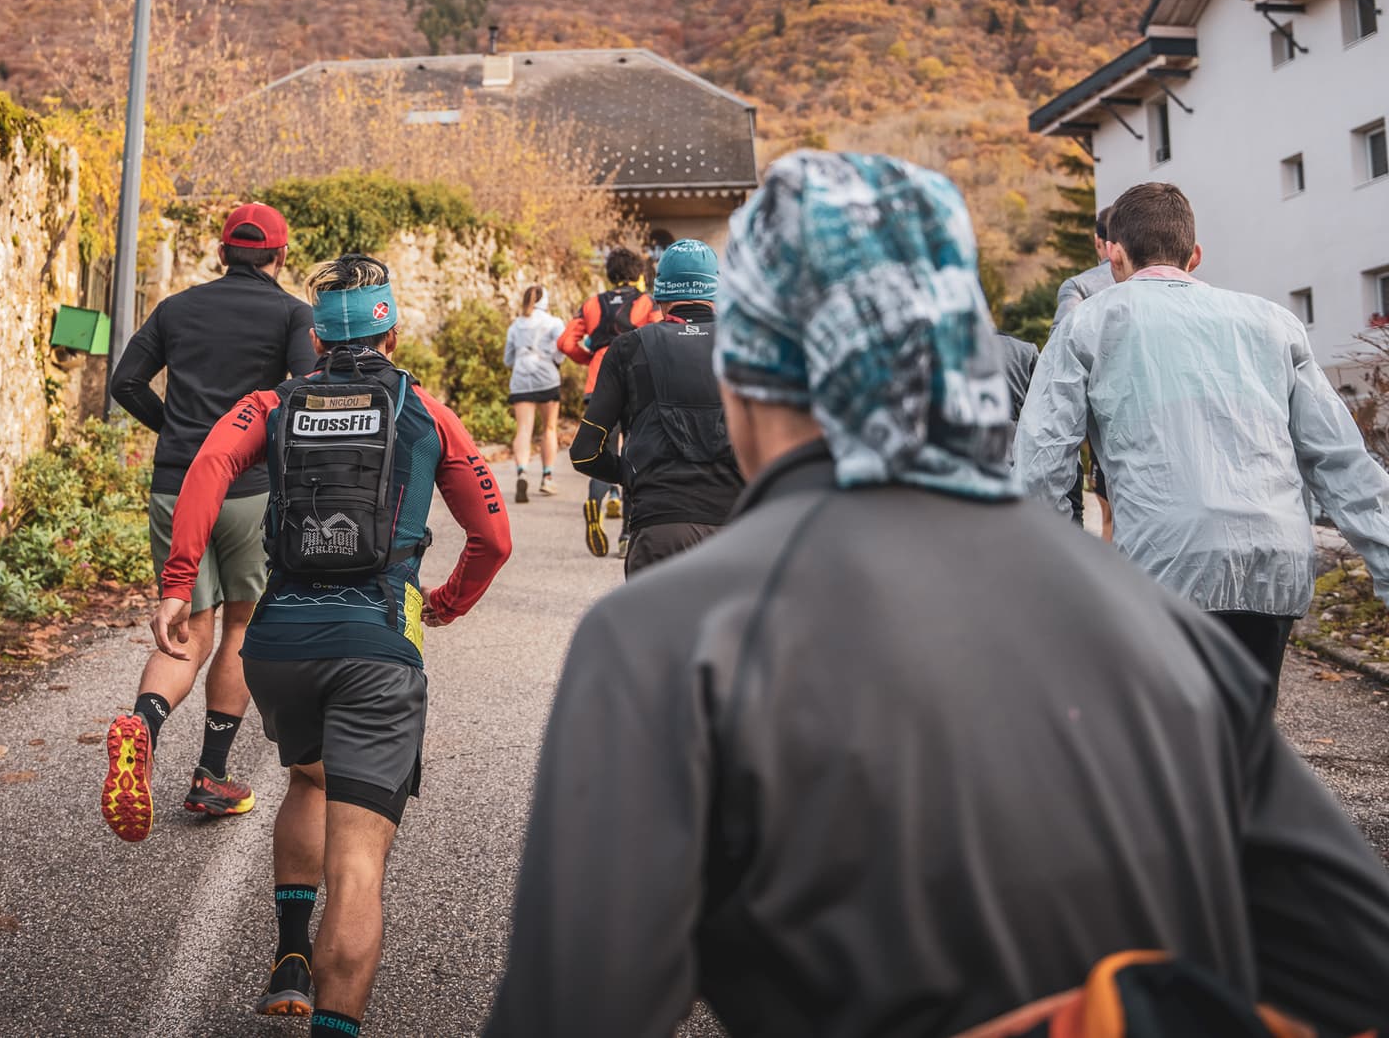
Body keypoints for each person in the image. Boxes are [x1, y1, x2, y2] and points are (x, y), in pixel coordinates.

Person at [486, 152, 1389, 1038]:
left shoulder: (667, 639)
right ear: (965, 353)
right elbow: (1356, 963)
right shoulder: (1157, 625)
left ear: (744, 377)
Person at [153, 254, 511, 1032]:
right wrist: (445, 602)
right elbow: (493, 535)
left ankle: (289, 953)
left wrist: (179, 579)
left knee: (308, 779)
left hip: (278, 645)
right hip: (377, 645)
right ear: (393, 331)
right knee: (357, 865)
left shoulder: (272, 403)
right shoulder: (427, 411)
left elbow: (208, 466)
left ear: (315, 337)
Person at [1016, 181, 1389, 683]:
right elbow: (1339, 458)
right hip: (1272, 562)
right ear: (1194, 255)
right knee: (1246, 726)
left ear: (1115, 256)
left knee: (1167, 728)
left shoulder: (1087, 324)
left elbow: (1042, 461)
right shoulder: (1274, 323)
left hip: (1163, 560)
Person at [101, 202, 316, 842]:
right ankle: (210, 777)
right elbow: (303, 393)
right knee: (242, 627)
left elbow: (126, 382)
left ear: (222, 252)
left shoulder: (176, 308)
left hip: (177, 486)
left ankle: (143, 725)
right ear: (280, 255)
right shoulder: (292, 314)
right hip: (249, 490)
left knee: (188, 627)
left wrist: (175, 429)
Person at [569, 239, 743, 575]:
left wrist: (633, 474)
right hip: (738, 532)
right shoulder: (749, 347)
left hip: (659, 529)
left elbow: (584, 454)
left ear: (659, 294)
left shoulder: (628, 348)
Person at [558, 247, 657, 557]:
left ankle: (594, 500)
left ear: (610, 274)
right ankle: (627, 533)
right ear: (637, 273)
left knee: (601, 451)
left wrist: (587, 358)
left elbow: (565, 342)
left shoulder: (592, 304)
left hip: (599, 380)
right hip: (636, 384)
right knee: (634, 454)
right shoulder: (646, 302)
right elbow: (658, 334)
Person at [1051, 205, 1115, 532]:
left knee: (1109, 517)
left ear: (1099, 242)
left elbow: (1058, 350)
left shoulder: (1080, 287)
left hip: (1104, 420)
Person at [503, 285, 566, 502]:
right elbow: (562, 349)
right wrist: (554, 360)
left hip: (521, 380)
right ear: (545, 301)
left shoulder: (515, 325)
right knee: (549, 428)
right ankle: (547, 477)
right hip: (547, 379)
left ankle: (522, 472)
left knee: (523, 430)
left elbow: (508, 359)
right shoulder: (554, 323)